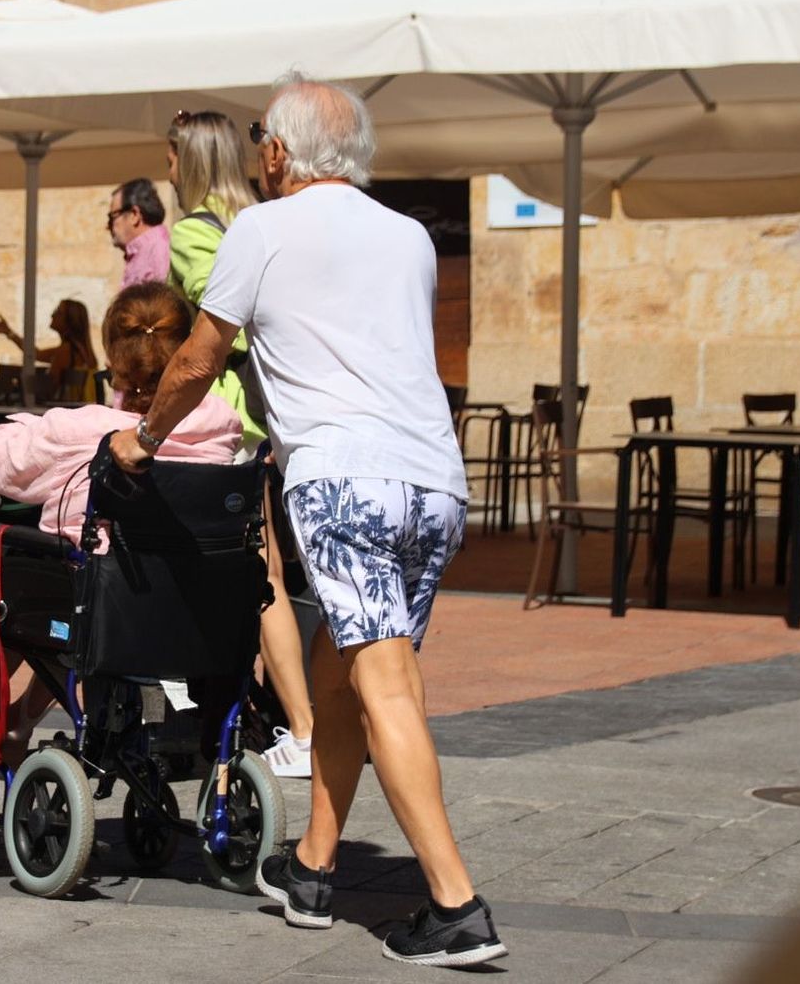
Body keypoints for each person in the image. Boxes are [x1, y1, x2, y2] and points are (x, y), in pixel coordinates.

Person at [109, 76, 505, 968]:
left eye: (262, 140)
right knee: (344, 670)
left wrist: (143, 438)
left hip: (343, 482)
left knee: (384, 681)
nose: (257, 153)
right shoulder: (409, 237)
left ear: (280, 153)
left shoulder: (261, 228)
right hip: (434, 485)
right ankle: (316, 867)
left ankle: (454, 904)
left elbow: (203, 355)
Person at [0, 282, 242, 757]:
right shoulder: (221, 426)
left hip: (105, 600)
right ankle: (20, 716)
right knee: (74, 594)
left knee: (15, 585)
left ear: (114, 355)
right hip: (195, 602)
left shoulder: (82, 429)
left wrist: (20, 427)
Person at [167, 108, 315, 779]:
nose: (167, 170)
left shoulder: (194, 233)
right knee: (266, 571)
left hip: (218, 419)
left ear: (191, 162)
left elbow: (222, 325)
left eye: (173, 157)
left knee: (249, 572)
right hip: (264, 418)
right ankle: (265, 707)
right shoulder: (260, 224)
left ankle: (298, 723)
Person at [0, 299, 99, 402]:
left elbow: (47, 388)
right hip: (74, 411)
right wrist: (9, 332)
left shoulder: (65, 351)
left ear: (69, 321)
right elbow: (36, 354)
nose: (52, 315)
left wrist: (19, 383)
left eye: (58, 312)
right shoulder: (80, 351)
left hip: (57, 411)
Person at [108, 177, 171, 288]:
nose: (108, 226)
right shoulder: (143, 251)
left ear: (134, 215)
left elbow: (163, 303)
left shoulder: (159, 250)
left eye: (113, 216)